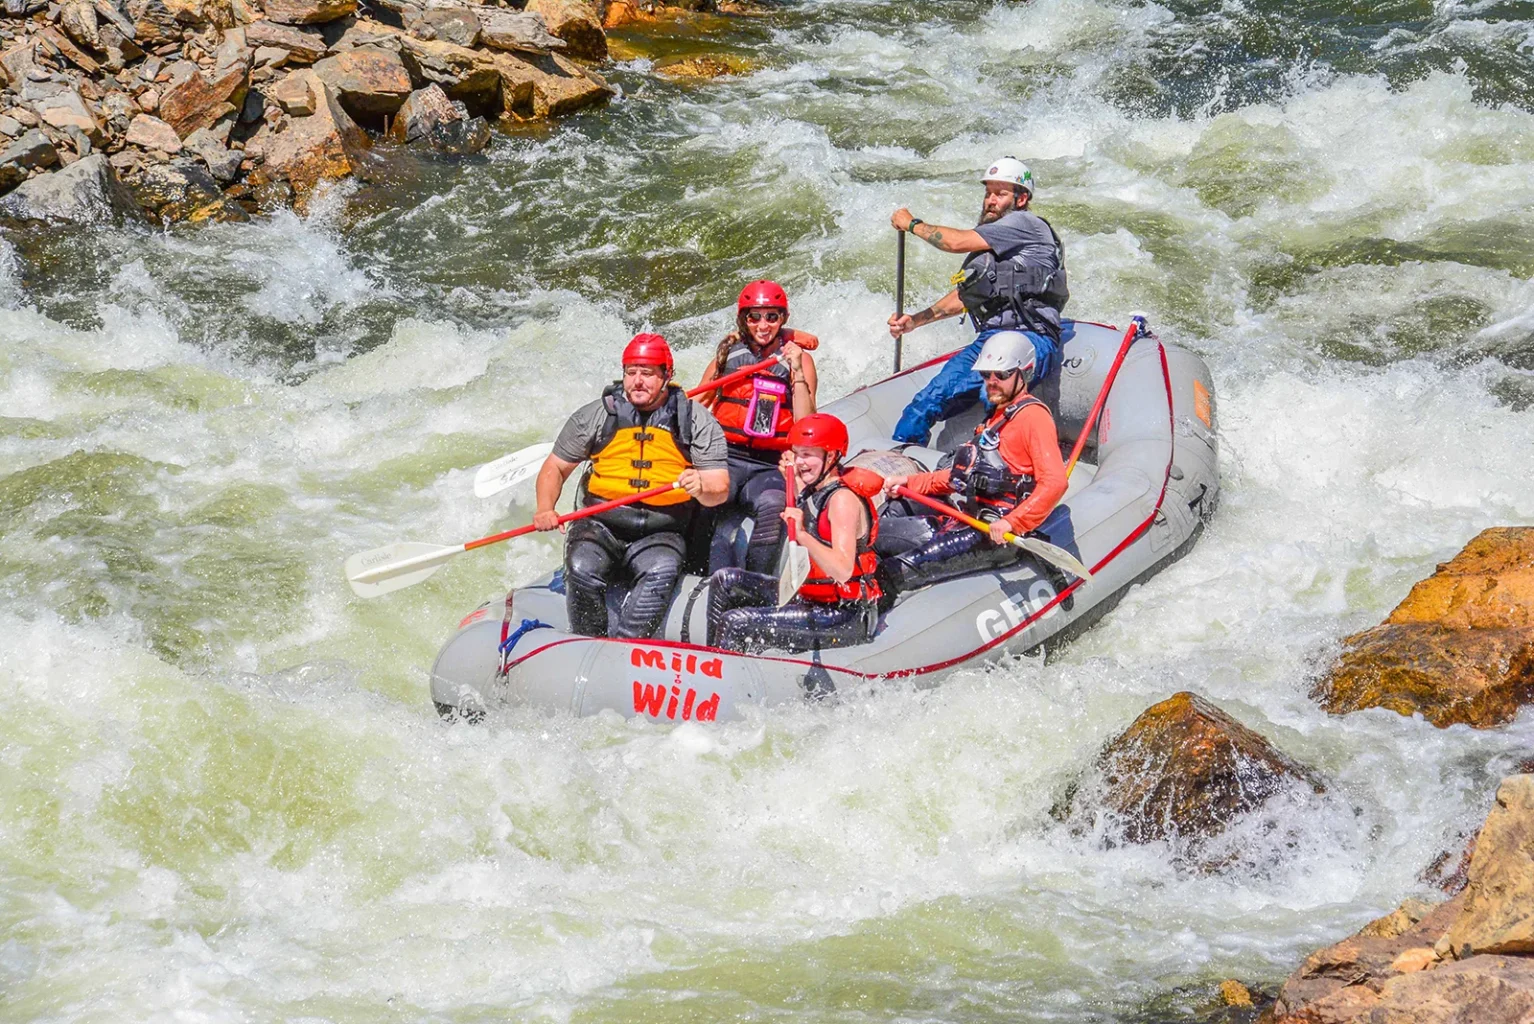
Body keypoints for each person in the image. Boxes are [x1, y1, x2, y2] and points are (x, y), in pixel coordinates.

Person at [534, 333, 730, 639]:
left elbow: (720, 487)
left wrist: (701, 485)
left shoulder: (694, 420)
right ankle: (587, 642)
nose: (637, 381)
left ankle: (625, 648)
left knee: (661, 571)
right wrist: (545, 508)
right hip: (600, 525)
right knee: (582, 567)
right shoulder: (597, 415)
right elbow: (555, 467)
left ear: (667, 376)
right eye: (631, 372)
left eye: (648, 374)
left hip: (661, 530)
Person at [886, 157, 1069, 447]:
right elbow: (965, 297)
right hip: (990, 340)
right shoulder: (997, 244)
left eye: (1001, 193)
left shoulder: (1024, 224)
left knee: (990, 399)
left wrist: (913, 224)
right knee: (925, 402)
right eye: (988, 193)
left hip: (1030, 337)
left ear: (1021, 199)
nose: (991, 201)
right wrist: (915, 320)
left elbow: (955, 242)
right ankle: (900, 462)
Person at [878, 331, 1067, 595]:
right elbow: (961, 477)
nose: (992, 382)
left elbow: (1055, 482)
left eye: (1001, 375)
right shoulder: (994, 419)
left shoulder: (1033, 417)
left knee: (896, 570)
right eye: (986, 375)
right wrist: (910, 483)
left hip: (995, 534)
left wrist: (1013, 523)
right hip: (970, 516)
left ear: (1024, 373)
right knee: (895, 509)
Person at [707, 414, 881, 654]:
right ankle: (713, 658)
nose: (799, 462)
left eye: (808, 454)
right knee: (725, 580)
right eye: (796, 453)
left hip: (843, 613)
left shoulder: (842, 501)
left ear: (830, 456)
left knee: (736, 622)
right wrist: (796, 481)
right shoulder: (814, 490)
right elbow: (810, 506)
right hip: (811, 598)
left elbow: (842, 570)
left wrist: (802, 535)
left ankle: (724, 673)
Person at [694, 280, 820, 573]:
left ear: (783, 319)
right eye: (755, 317)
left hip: (768, 464)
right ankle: (695, 571)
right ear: (744, 319)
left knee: (774, 504)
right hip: (726, 456)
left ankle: (755, 579)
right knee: (700, 497)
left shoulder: (799, 361)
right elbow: (697, 405)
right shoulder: (727, 356)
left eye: (771, 317)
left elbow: (804, 422)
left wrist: (797, 370)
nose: (763, 325)